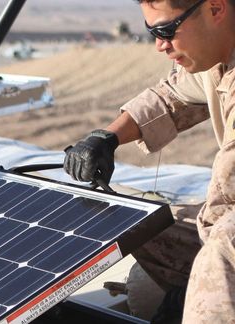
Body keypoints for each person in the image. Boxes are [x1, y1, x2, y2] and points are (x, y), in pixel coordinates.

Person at [63, 0, 235, 322]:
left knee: (219, 254)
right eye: (152, 32)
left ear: (215, 8)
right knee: (129, 216)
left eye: (167, 30)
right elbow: (171, 97)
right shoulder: (216, 57)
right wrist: (107, 138)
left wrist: (198, 287)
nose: (160, 45)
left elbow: (226, 203)